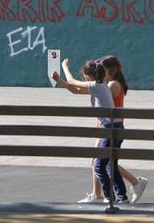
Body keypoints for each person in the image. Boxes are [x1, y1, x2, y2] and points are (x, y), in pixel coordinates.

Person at [51, 58, 129, 203]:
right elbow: (75, 90)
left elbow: (73, 82)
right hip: (117, 128)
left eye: (85, 75)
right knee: (110, 165)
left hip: (110, 130)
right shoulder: (100, 86)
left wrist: (64, 67)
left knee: (99, 167)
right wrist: (59, 80)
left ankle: (109, 197)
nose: (84, 78)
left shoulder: (97, 86)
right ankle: (122, 197)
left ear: (90, 76)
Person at [77, 56, 148, 204]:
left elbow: (93, 93)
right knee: (106, 162)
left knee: (101, 162)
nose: (100, 72)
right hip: (107, 127)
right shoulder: (109, 84)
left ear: (111, 71)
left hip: (110, 128)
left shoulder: (111, 85)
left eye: (103, 70)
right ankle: (111, 193)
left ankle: (129, 185)